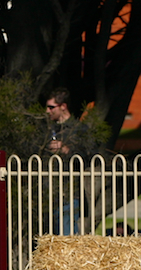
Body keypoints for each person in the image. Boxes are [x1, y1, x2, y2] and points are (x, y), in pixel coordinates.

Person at [42, 87, 99, 236]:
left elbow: (91, 156)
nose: (48, 111)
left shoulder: (79, 130)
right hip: (47, 191)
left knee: (66, 236)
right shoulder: (47, 130)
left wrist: (68, 150)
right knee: (49, 238)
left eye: (51, 107)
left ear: (63, 107)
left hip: (68, 191)